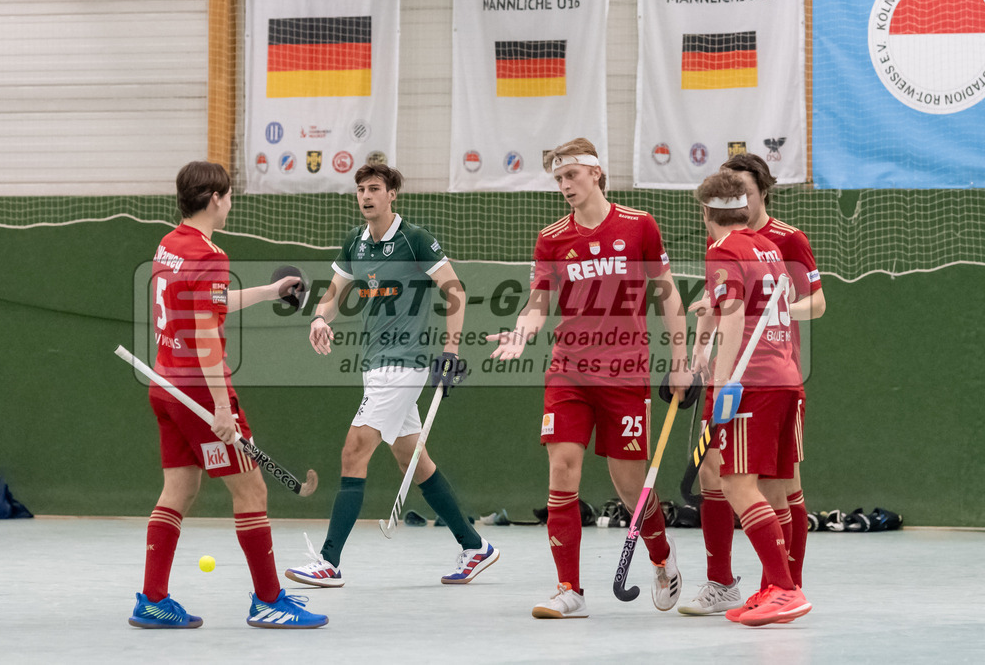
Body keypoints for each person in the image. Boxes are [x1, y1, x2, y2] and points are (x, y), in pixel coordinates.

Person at [487, 138, 691, 619]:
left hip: (625, 373)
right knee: (562, 471)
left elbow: (668, 296)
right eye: (558, 180)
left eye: (570, 176)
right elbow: (538, 302)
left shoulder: (640, 227)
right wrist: (522, 332)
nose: (564, 187)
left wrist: (680, 358)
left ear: (596, 173)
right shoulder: (552, 238)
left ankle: (661, 557)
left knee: (629, 487)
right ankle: (569, 588)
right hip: (569, 371)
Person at [131, 160, 327, 629]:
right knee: (251, 488)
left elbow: (207, 304)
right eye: (230, 195)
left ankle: (152, 600)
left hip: (166, 386)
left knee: (179, 488)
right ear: (216, 198)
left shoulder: (171, 246)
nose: (232, 202)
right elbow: (204, 338)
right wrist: (222, 408)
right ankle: (268, 601)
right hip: (200, 392)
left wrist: (269, 291)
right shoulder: (210, 256)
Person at [284, 163, 498, 587]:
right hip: (374, 362)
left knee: (354, 450)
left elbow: (454, 290)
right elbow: (331, 294)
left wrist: (451, 350)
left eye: (374, 188)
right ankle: (475, 545)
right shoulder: (356, 243)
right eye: (360, 189)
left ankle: (329, 561)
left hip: (405, 363)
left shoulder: (414, 239)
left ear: (392, 194)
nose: (366, 196)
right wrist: (319, 319)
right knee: (412, 459)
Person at [680, 154, 825, 616]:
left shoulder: (726, 249)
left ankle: (784, 587)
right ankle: (773, 587)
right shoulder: (764, 247)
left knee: (738, 483)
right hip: (785, 378)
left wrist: (723, 381)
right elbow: (732, 307)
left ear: (707, 211)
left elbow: (738, 316)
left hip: (752, 379)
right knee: (770, 485)